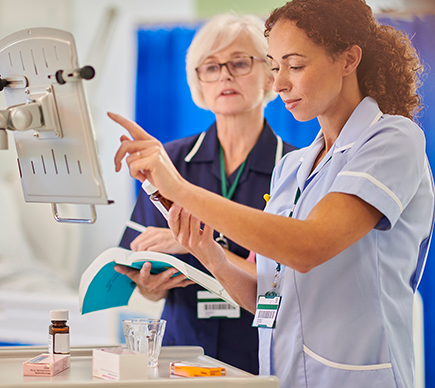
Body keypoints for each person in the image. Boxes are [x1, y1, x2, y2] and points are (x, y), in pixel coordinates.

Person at [110, 0, 435, 386]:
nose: (280, 83)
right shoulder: (293, 168)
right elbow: (268, 296)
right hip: (279, 378)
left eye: (295, 66)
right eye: (276, 67)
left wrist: (178, 188)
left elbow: (308, 246)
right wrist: (209, 254)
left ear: (349, 59)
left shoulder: (393, 139)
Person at [115, 13, 296, 374]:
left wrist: (195, 241)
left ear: (270, 73)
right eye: (211, 67)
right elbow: (134, 261)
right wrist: (150, 286)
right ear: (198, 81)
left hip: (260, 354)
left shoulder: (294, 168)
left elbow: (289, 285)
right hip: (182, 351)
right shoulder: (171, 162)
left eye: (239, 63)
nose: (225, 75)